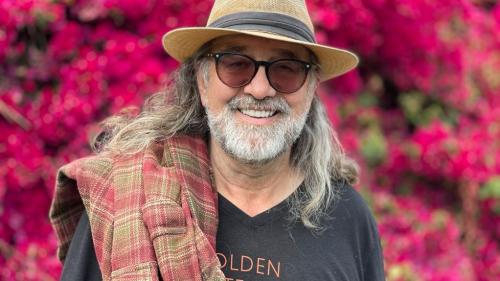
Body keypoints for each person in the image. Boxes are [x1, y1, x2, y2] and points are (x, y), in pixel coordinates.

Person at [50, 0, 385, 280]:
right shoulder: (123, 199)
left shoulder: (348, 218)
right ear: (201, 78)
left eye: (287, 69)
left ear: (311, 88)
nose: (259, 89)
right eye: (236, 64)